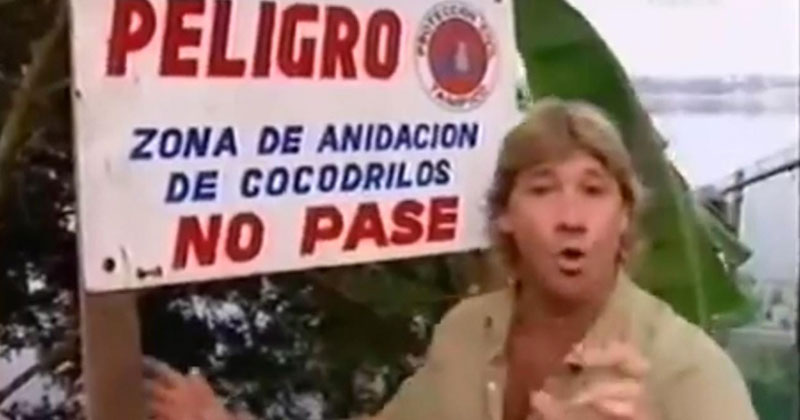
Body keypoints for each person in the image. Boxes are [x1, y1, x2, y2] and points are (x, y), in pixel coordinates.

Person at [144, 98, 758, 420]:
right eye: (543, 189)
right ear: (505, 216)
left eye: (594, 191)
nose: (571, 216)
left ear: (624, 216)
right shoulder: (467, 332)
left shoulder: (685, 370)